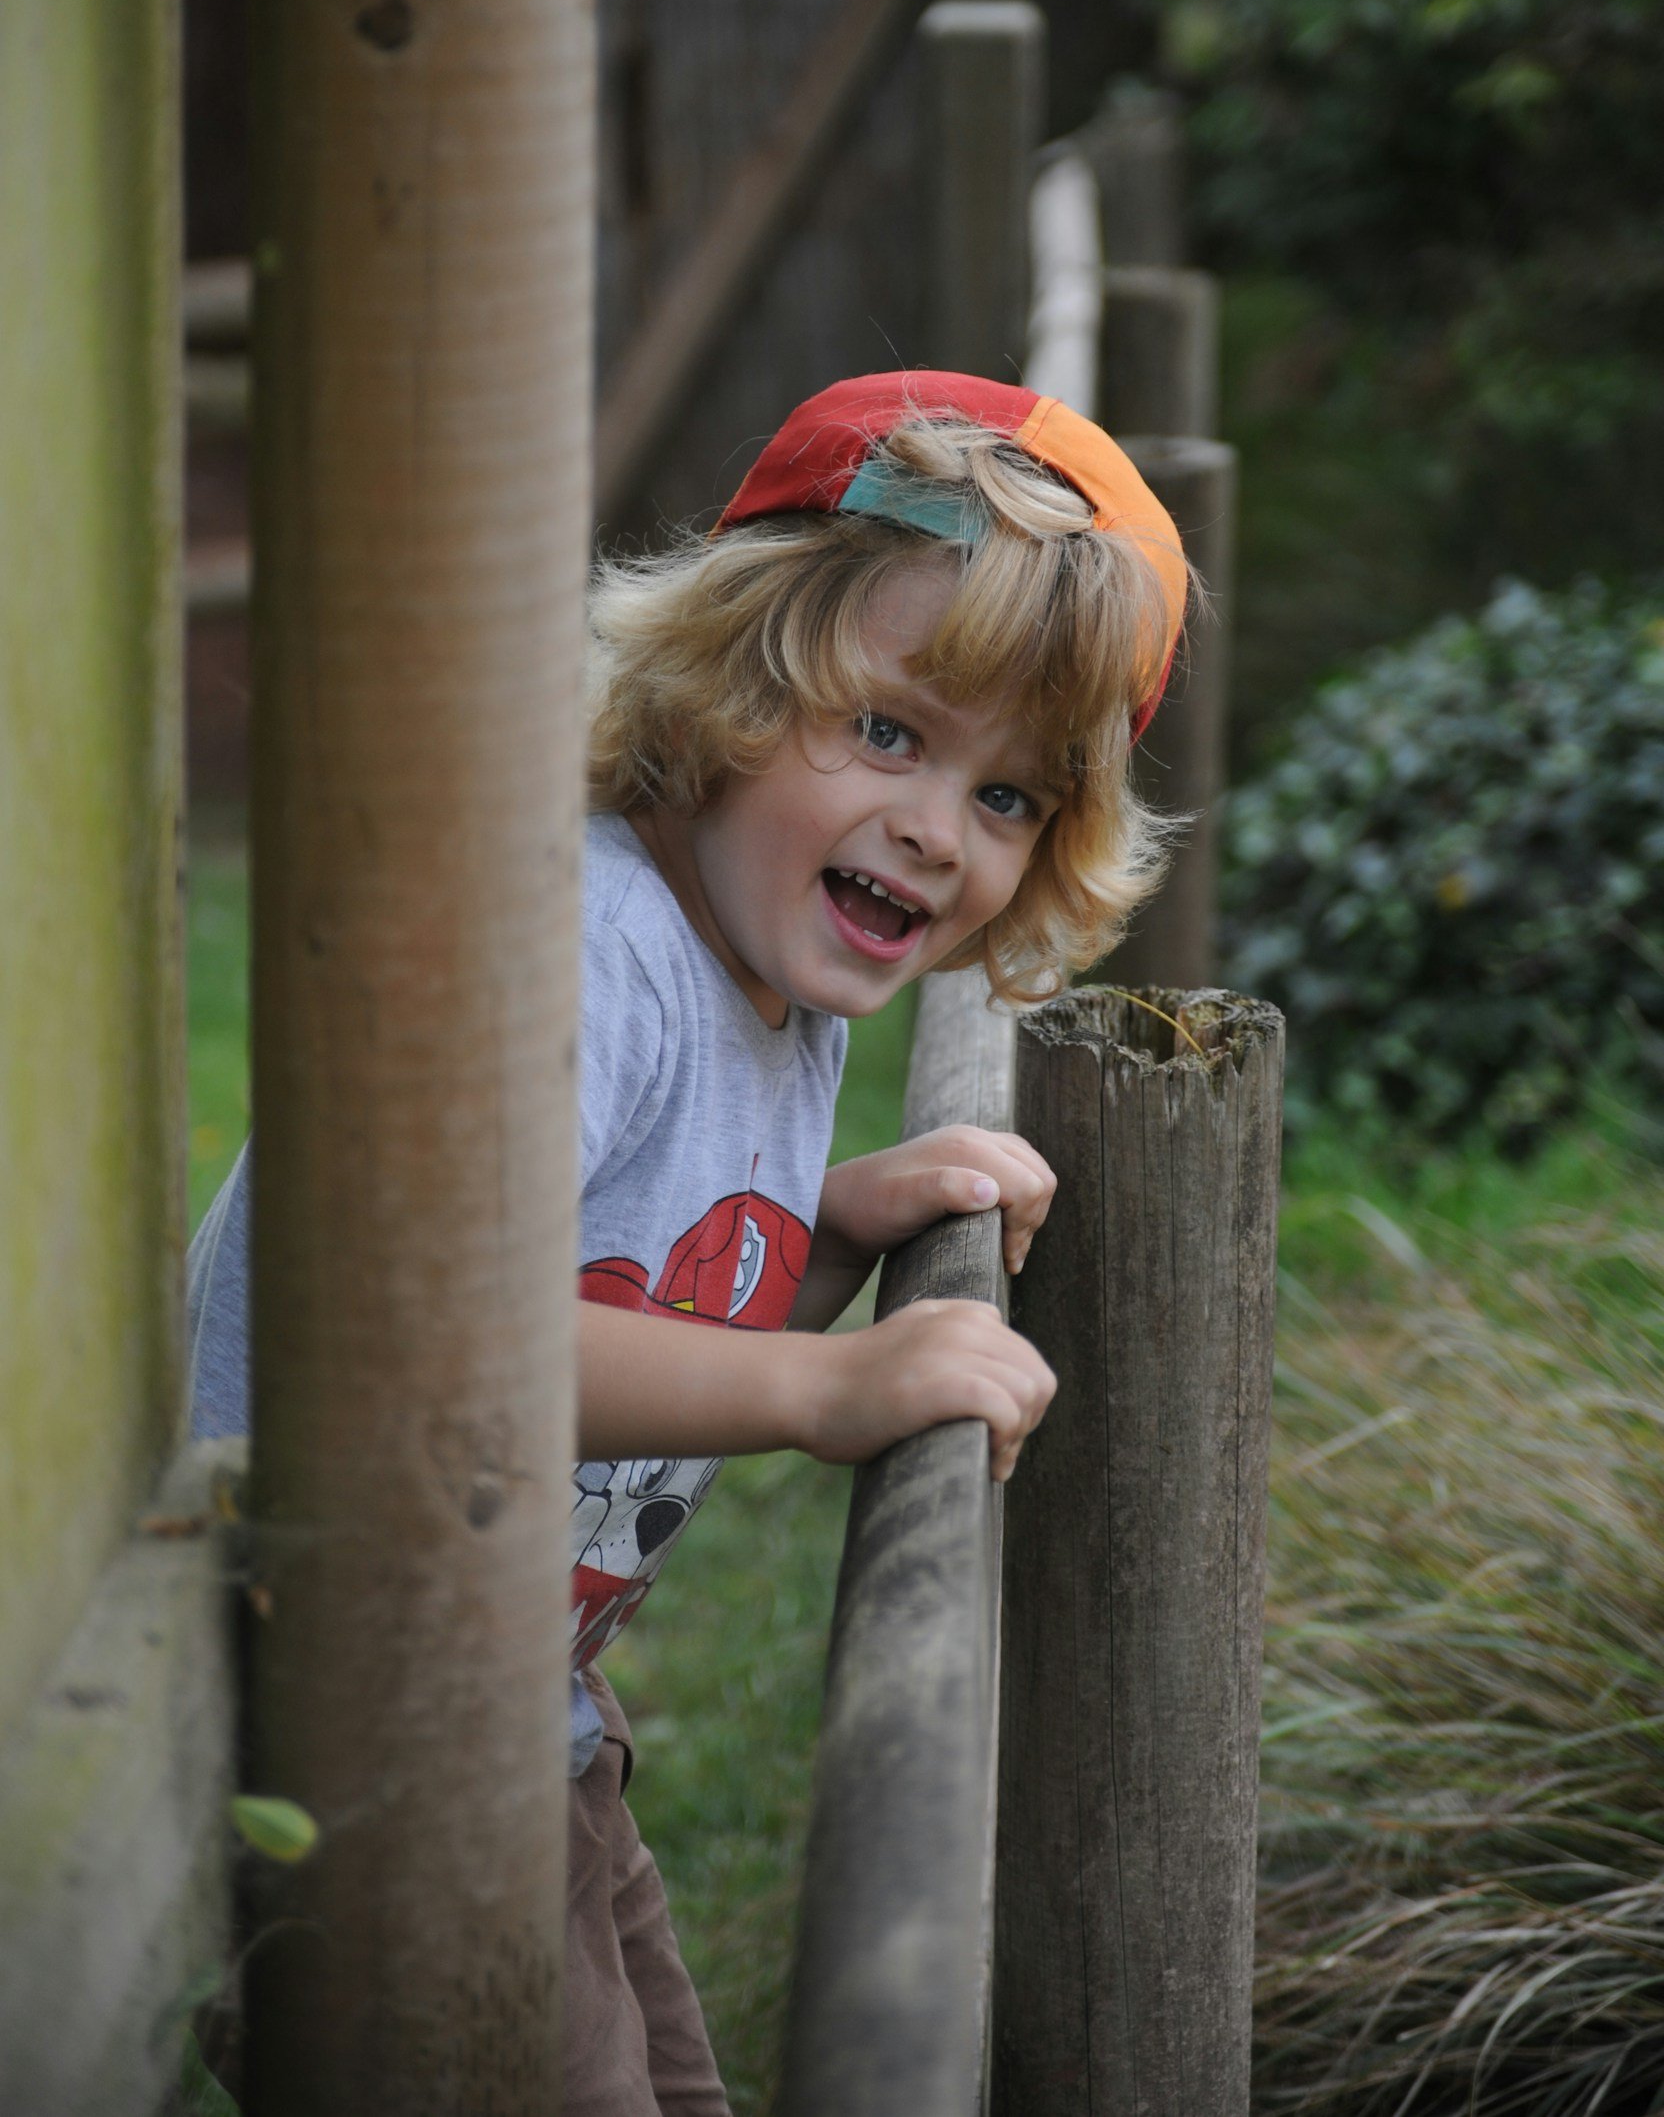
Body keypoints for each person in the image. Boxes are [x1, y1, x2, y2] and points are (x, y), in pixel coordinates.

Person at [185, 368, 1190, 2117]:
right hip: (331, 1754)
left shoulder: (763, 982)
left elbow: (617, 1283)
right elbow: (439, 1342)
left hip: (505, 1735)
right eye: (889, 732)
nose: (937, 830)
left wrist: (825, 1220)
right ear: (731, 676)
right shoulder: (584, 948)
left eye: (1012, 797)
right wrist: (824, 1379)